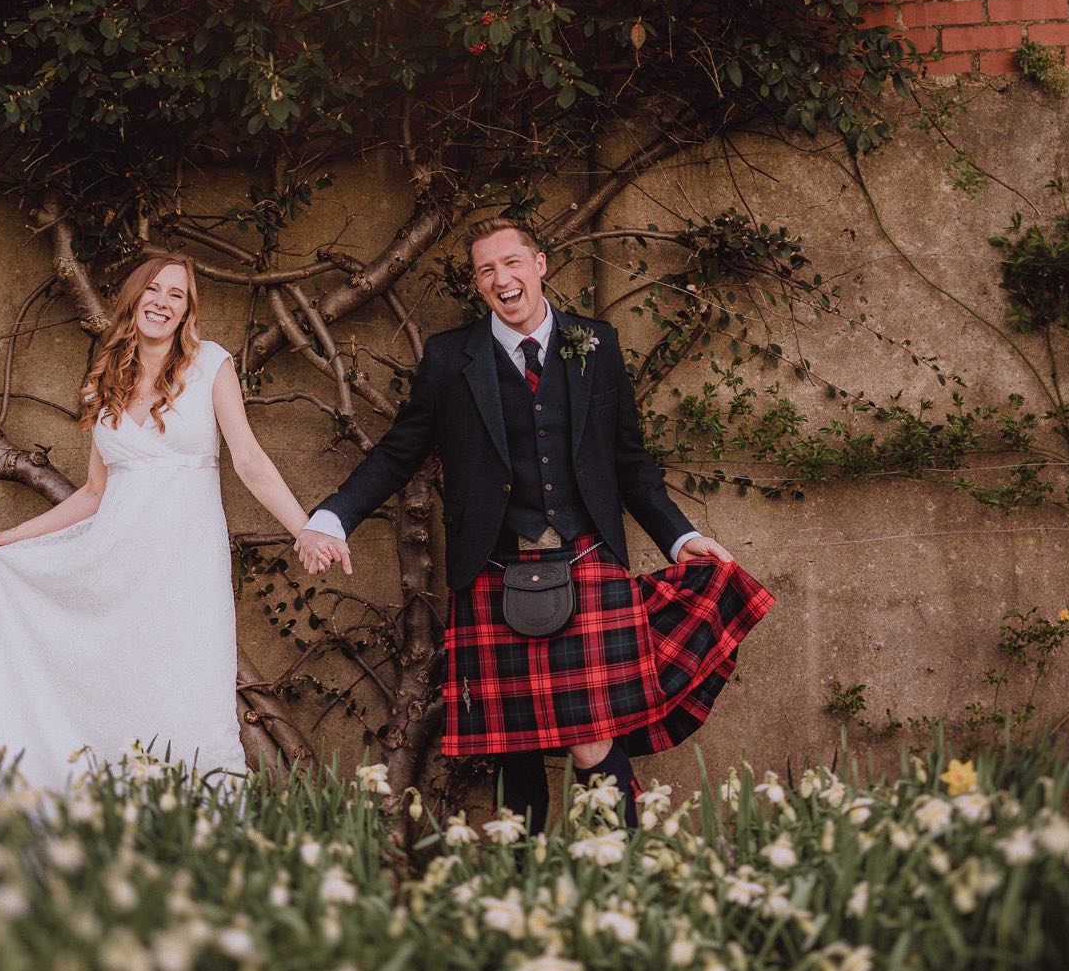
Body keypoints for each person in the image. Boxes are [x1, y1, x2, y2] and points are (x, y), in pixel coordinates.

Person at [295, 217, 773, 831]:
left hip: (586, 559)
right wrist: (334, 517)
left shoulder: (595, 344)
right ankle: (521, 899)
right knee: (511, 752)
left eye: (512, 262)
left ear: (540, 264)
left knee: (592, 740)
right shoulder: (450, 358)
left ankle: (620, 890)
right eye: (486, 269)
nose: (502, 278)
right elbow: (400, 450)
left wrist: (680, 536)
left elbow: (629, 461)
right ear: (477, 284)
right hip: (493, 568)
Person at [0, 252, 313, 793]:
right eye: (155, 289)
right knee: (116, 696)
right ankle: (108, 821)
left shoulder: (211, 366)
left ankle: (200, 839)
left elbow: (248, 460)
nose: (164, 302)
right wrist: (13, 537)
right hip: (114, 568)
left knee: (191, 698)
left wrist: (303, 527)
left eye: (177, 295)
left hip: (186, 566)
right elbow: (94, 492)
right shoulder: (102, 385)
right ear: (134, 299)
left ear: (186, 311)